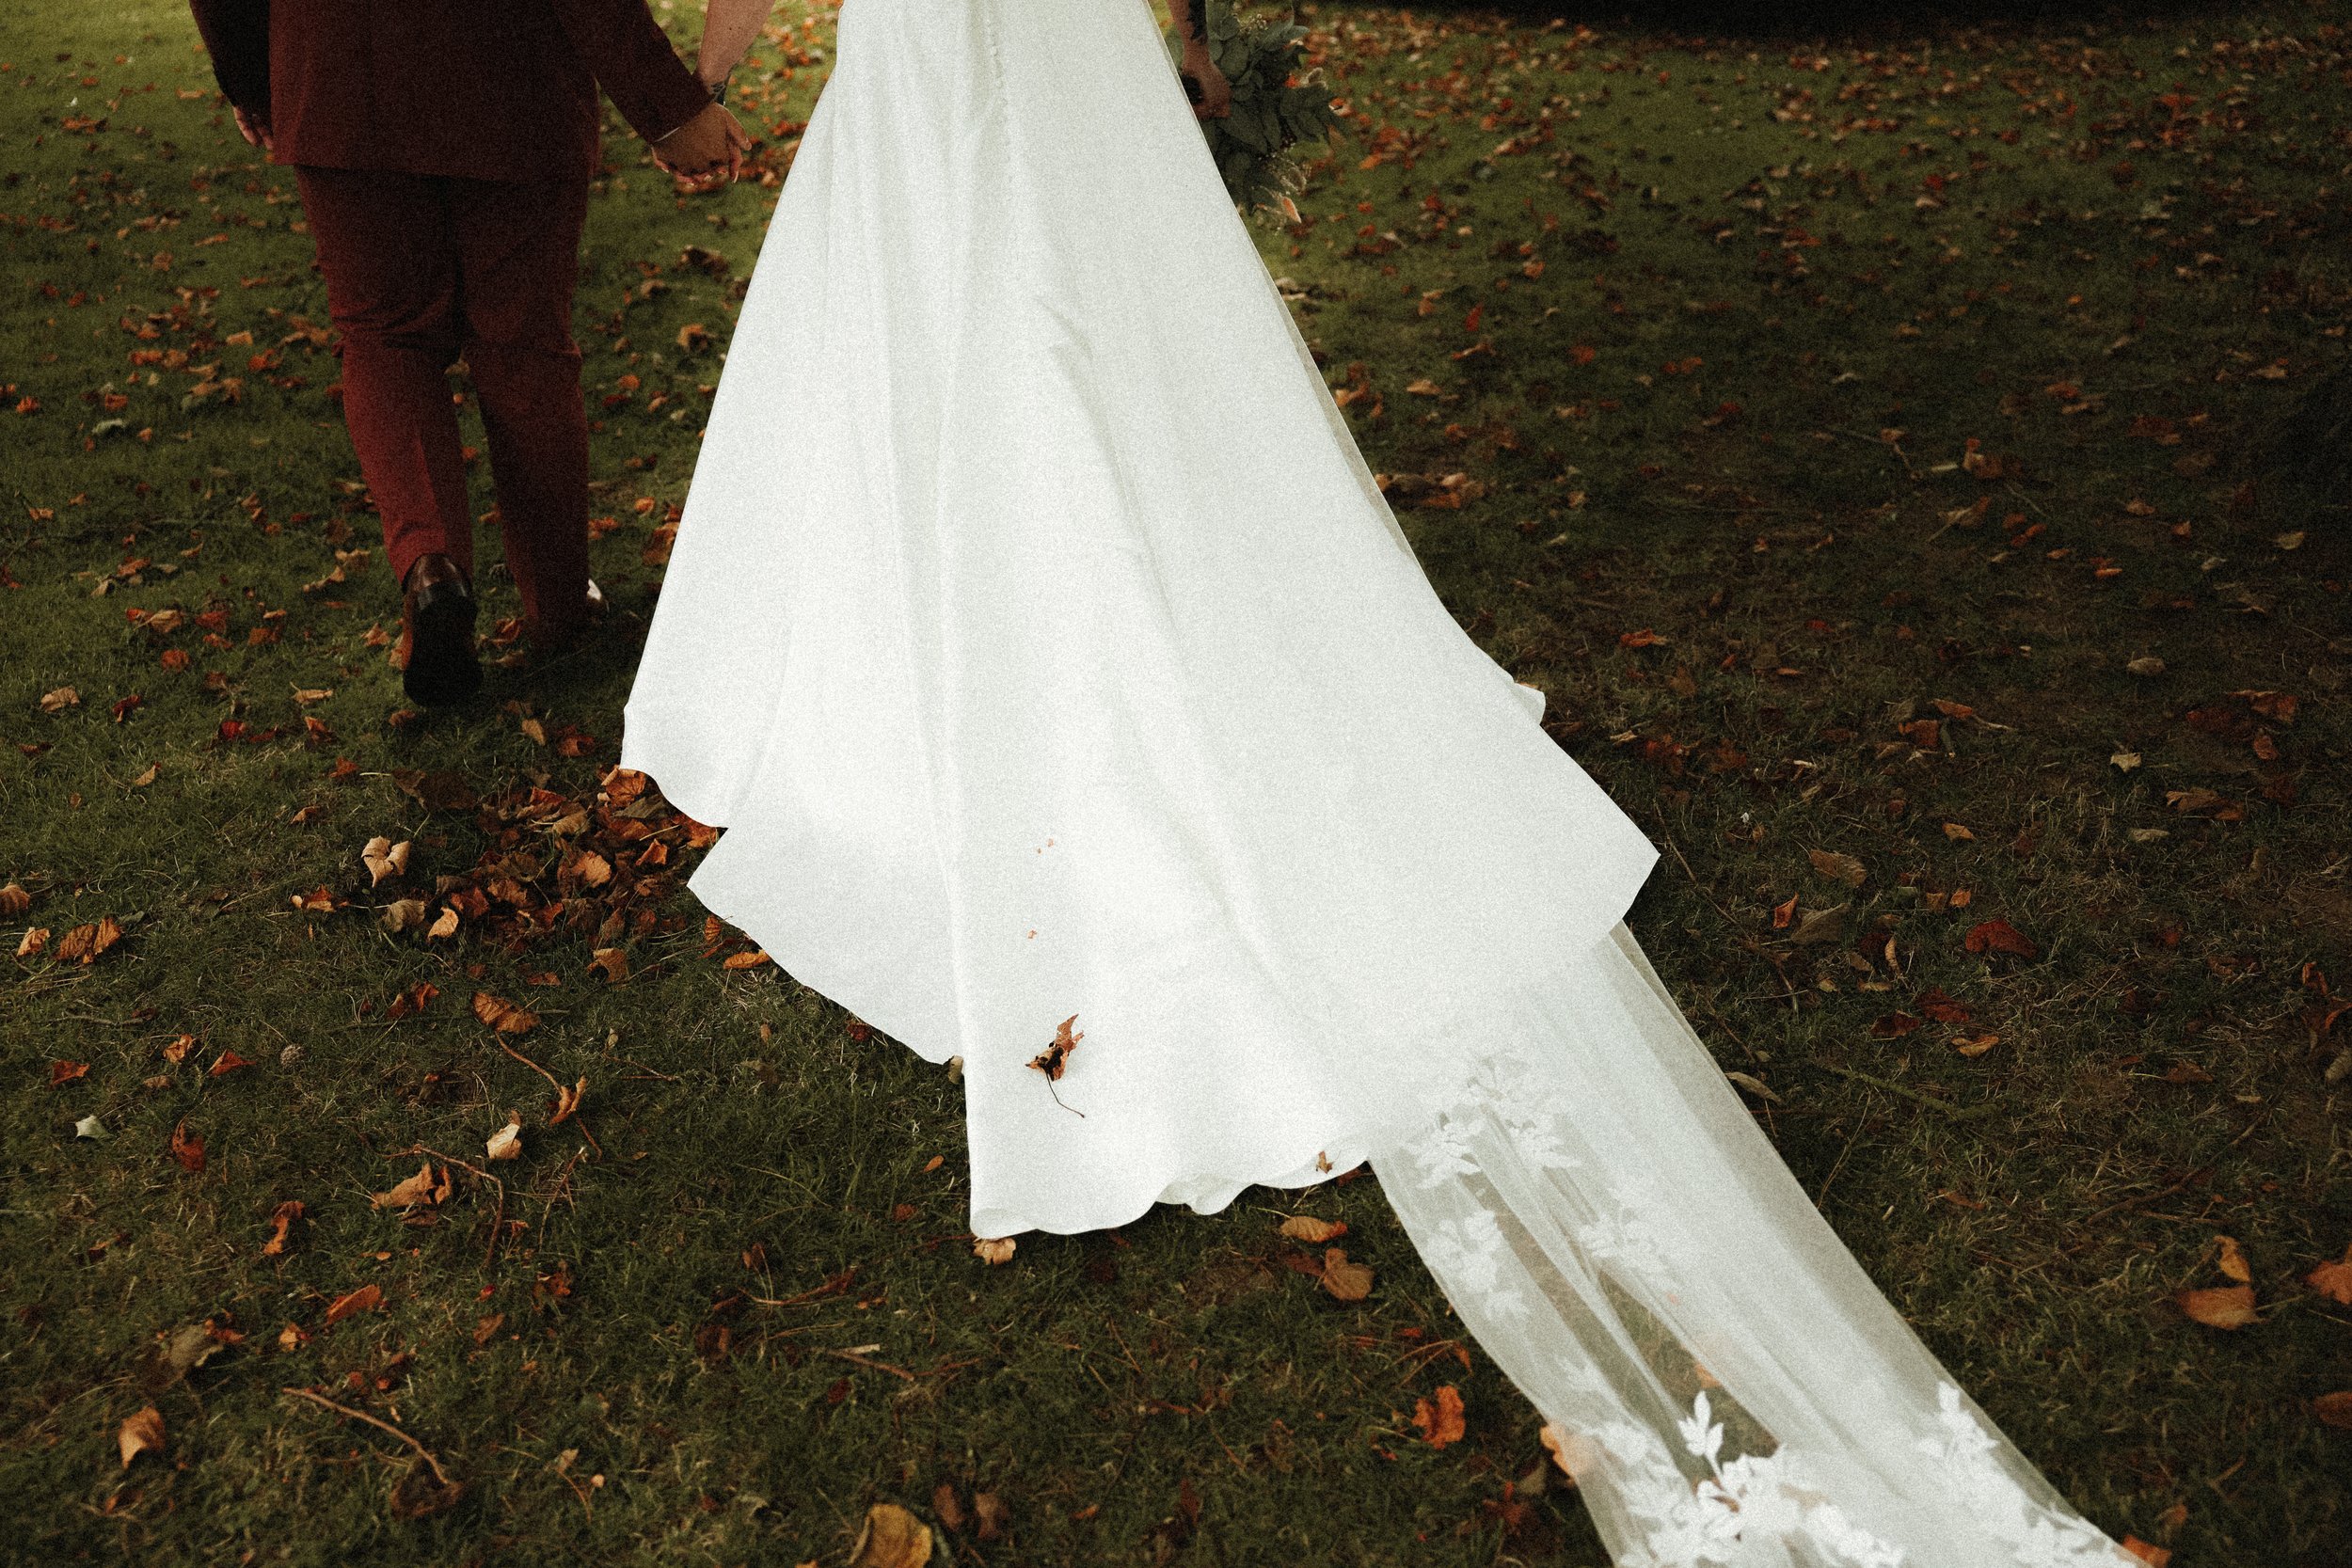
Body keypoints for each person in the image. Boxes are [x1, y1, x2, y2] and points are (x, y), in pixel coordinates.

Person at [620, 1, 2149, 1562]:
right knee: (1047, 335)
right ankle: (1002, 654)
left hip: (977, 57)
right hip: (1014, 58)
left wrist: (689, 86)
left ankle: (1034, 687)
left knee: (1026, 335)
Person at [186, 0, 751, 706]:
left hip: (337, 68)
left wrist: (255, 77)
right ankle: (558, 603)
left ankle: (431, 566)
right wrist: (669, 107)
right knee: (525, 343)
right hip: (510, 77)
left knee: (387, 335)